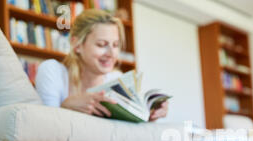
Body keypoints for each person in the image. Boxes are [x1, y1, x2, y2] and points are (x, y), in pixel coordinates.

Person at [35, 9, 168, 121]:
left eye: (115, 45)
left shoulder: (117, 79)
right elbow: (46, 126)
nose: (111, 53)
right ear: (77, 45)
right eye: (101, 44)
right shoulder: (52, 71)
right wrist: (66, 105)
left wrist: (150, 114)